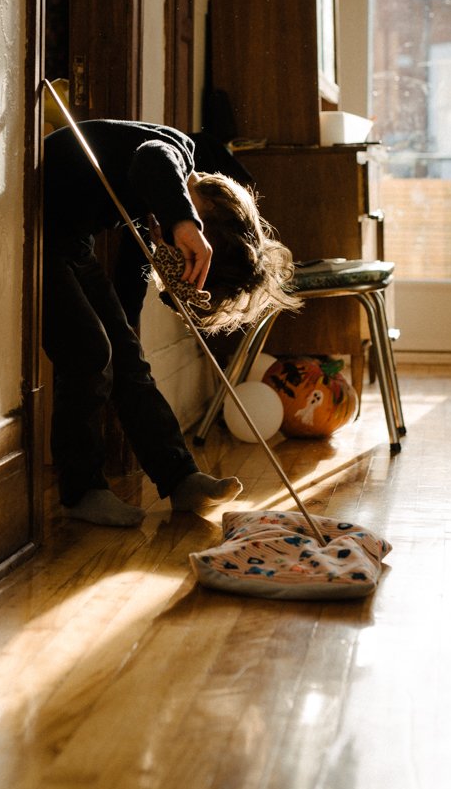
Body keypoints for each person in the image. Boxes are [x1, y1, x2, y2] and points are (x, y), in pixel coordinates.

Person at [42, 118, 298, 528]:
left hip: (70, 243)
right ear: (209, 209)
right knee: (90, 353)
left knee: (126, 355)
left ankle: (180, 479)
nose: (171, 248)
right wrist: (184, 222)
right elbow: (152, 159)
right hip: (37, 234)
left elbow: (125, 293)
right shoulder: (175, 151)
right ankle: (82, 490)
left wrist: (124, 342)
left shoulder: (152, 210)